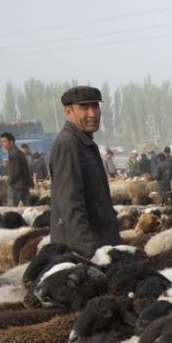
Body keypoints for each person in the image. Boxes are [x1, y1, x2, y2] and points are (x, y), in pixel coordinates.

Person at [48, 85, 121, 253]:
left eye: (95, 106)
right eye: (84, 107)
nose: (92, 114)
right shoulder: (68, 144)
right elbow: (70, 204)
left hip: (100, 243)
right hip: (82, 251)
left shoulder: (84, 143)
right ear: (68, 112)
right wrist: (91, 252)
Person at [1, 131, 32, 206]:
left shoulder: (14, 154)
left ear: (11, 142)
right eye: (1, 142)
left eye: (4, 141)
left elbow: (15, 172)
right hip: (24, 184)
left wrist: (9, 182)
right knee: (30, 208)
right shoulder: (18, 152)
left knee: (11, 210)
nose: (2, 144)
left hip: (16, 186)